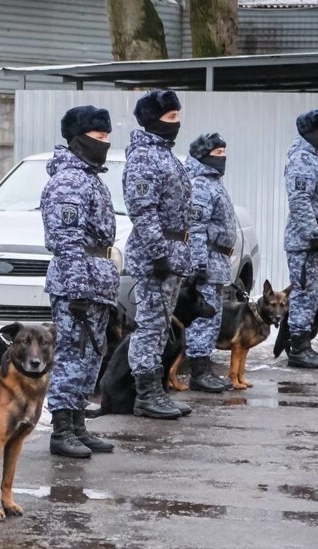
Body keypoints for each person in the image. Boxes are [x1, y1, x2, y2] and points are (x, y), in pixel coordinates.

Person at [41, 105, 118, 458]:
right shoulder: (69, 181)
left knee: (90, 355)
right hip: (79, 281)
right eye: (97, 137)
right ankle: (61, 430)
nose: (103, 143)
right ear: (76, 139)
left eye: (106, 137)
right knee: (72, 354)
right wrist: (76, 290)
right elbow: (67, 239)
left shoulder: (90, 177)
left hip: (97, 279)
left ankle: (77, 424)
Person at [122, 90, 192, 420]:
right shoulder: (144, 157)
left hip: (173, 251)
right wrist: (159, 254)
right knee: (150, 326)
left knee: (162, 325)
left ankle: (156, 388)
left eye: (178, 117)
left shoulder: (165, 155)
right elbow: (142, 209)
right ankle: (146, 392)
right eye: (170, 118)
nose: (176, 124)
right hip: (157, 255)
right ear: (152, 121)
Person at [283, 109, 318, 369]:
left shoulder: (315, 159)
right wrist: (313, 233)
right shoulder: (303, 159)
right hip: (306, 238)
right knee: (305, 291)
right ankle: (298, 348)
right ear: (309, 133)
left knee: (313, 291)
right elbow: (299, 199)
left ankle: (303, 344)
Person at [184, 132, 238, 392]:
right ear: (203, 156)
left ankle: (205, 368)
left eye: (224, 153)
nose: (223, 158)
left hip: (218, 261)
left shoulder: (213, 181)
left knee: (213, 317)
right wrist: (198, 266)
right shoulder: (200, 185)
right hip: (207, 261)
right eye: (216, 154)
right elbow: (195, 227)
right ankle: (199, 371)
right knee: (203, 319)